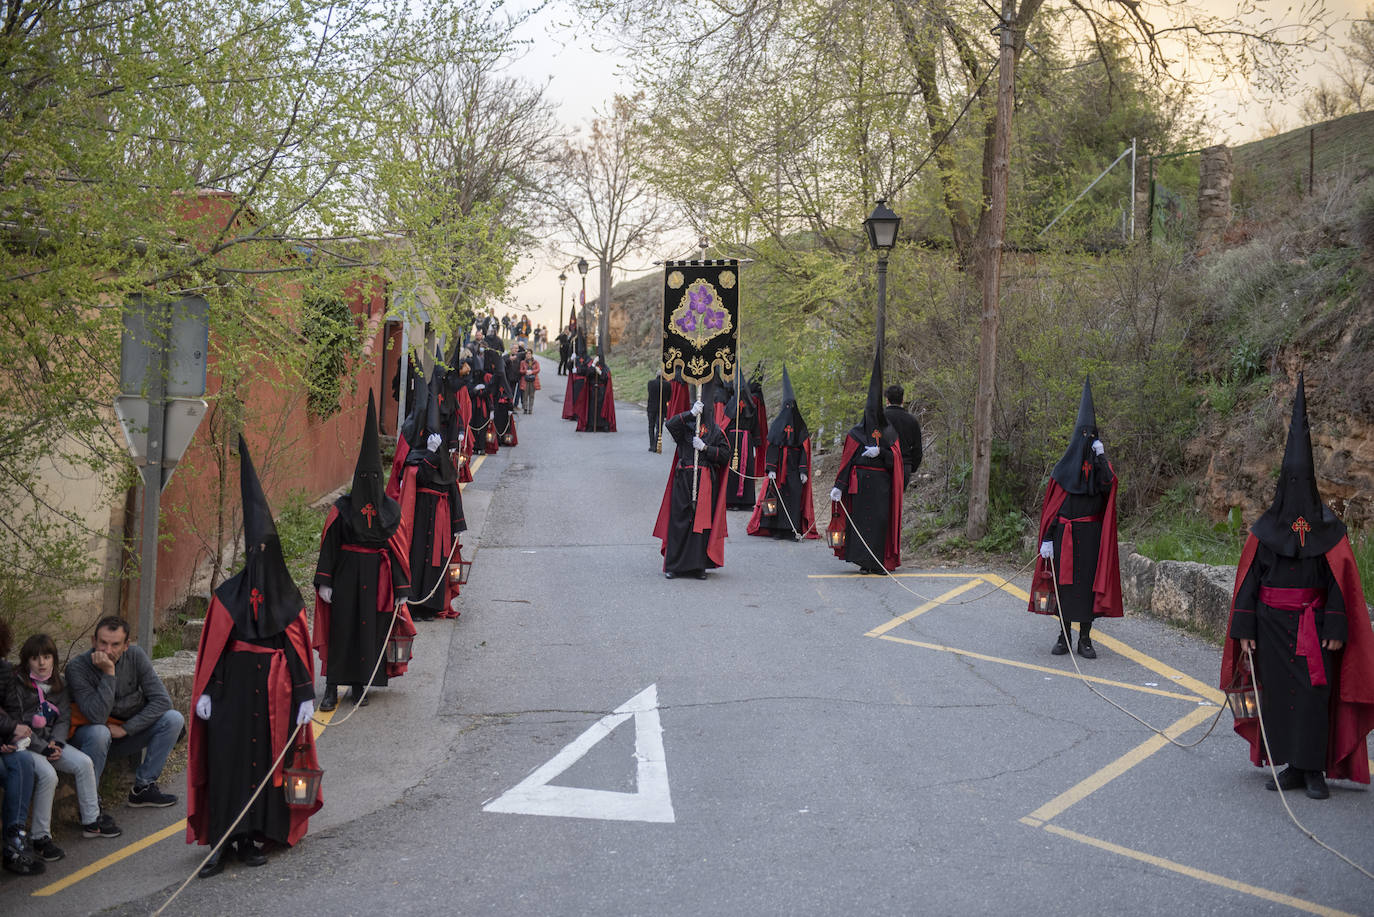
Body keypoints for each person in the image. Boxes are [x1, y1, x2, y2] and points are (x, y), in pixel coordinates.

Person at [1220, 374, 1374, 799]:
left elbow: (1340, 584)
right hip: (1270, 630)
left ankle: (1314, 771)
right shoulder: (1265, 531)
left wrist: (1336, 628)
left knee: (1312, 697)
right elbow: (1250, 581)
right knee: (1279, 700)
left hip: (1315, 630)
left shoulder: (1329, 532)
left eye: (1301, 482)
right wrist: (1246, 631)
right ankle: (1288, 766)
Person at [189, 436, 320, 877]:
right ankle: (219, 844)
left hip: (272, 697)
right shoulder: (228, 596)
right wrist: (205, 691)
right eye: (256, 551)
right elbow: (212, 650)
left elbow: (297, 646)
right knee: (226, 765)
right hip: (229, 695)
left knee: (264, 764)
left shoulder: (287, 596)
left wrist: (305, 694)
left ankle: (249, 837)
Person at [313, 392, 414, 711]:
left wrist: (401, 588)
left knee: (368, 632)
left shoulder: (390, 511)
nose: (369, 483)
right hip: (345, 577)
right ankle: (331, 688)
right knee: (341, 629)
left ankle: (359, 685)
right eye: (364, 477)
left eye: (374, 478)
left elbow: (396, 551)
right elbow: (330, 544)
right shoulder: (342, 510)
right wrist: (325, 581)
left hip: (377, 580)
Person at [1026, 378, 1122, 659]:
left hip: (1091, 539)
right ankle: (1064, 635)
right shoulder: (1062, 469)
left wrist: (1102, 458)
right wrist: (1046, 538)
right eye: (1084, 434)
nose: (1087, 440)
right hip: (1063, 538)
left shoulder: (1100, 467)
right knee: (1064, 588)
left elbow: (1110, 486)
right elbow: (1052, 508)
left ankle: (1086, 639)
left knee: (1087, 589)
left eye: (1091, 436)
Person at [16, 632, 121, 864]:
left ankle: (92, 821)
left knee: (84, 763)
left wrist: (58, 742)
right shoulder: (19, 686)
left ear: (54, 658)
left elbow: (63, 718)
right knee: (48, 775)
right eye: (35, 658)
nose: (42, 663)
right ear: (27, 662)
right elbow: (20, 724)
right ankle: (40, 837)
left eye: (46, 657)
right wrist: (44, 748)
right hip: (27, 746)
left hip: (51, 742)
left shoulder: (58, 684)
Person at [66, 617, 184, 808]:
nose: (107, 650)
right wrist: (109, 673)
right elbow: (96, 717)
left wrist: (127, 729)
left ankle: (143, 788)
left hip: (122, 732)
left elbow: (162, 701)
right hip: (89, 738)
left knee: (173, 719)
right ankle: (89, 805)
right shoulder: (77, 668)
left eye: (115, 644)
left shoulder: (136, 656)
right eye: (103, 643)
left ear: (126, 645)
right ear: (93, 641)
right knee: (99, 731)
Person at [388, 372, 466, 622]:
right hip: (422, 517)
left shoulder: (445, 460)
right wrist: (430, 456)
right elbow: (420, 478)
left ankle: (432, 605)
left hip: (441, 518)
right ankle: (417, 604)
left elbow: (452, 488)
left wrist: (458, 525)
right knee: (419, 559)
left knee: (437, 562)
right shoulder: (418, 457)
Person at [827, 353, 903, 573]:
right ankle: (863, 561)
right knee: (860, 523)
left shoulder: (889, 432)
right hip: (858, 487)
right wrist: (838, 487)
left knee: (879, 522)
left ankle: (878, 561)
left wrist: (881, 452)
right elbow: (847, 462)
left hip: (881, 486)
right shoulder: (855, 434)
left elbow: (895, 460)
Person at [653, 385, 730, 579]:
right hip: (684, 478)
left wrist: (706, 448)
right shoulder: (687, 426)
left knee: (700, 524)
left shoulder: (715, 431)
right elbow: (670, 425)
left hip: (704, 480)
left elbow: (725, 455)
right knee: (679, 521)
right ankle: (674, 566)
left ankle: (698, 567)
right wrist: (689, 414)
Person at [748, 365, 818, 540]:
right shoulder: (778, 426)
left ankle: (792, 529)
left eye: (791, 406)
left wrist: (803, 471)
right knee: (776, 499)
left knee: (793, 499)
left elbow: (803, 449)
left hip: (794, 470)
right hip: (779, 469)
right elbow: (772, 446)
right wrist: (770, 468)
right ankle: (777, 529)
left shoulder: (800, 427)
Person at [1, 620, 43, 875]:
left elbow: (14, 711)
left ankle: (14, 841)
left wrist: (8, 739)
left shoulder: (4, 671)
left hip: (5, 744)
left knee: (24, 763)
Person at [722, 382, 766, 510]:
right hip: (738, 440)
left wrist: (757, 442)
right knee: (733, 469)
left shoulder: (744, 407)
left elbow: (755, 426)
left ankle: (745, 502)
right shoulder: (740, 406)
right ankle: (731, 501)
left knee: (746, 469)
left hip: (742, 440)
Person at [884, 384, 923, 490]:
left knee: (881, 503)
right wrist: (911, 467)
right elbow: (917, 449)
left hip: (881, 467)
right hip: (903, 466)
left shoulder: (879, 418)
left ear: (887, 400)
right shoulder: (912, 420)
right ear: (902, 400)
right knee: (897, 503)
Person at [575, 353, 617, 433]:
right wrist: (593, 365)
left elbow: (606, 378)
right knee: (592, 408)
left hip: (601, 391)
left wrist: (600, 372)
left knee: (601, 407)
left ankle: (603, 425)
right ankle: (591, 424)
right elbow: (587, 373)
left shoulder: (605, 367)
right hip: (592, 390)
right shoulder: (591, 366)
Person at [646, 370, 669, 452]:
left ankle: (651, 445)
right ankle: (656, 445)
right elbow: (669, 398)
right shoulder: (667, 384)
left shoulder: (650, 383)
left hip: (651, 408)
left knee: (651, 426)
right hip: (661, 409)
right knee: (659, 427)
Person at [519, 348, 541, 414]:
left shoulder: (536, 362)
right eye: (527, 354)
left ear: (531, 354)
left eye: (529, 353)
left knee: (531, 395)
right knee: (525, 395)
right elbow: (520, 370)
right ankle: (525, 408)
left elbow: (538, 369)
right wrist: (526, 371)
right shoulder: (522, 362)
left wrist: (532, 372)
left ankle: (530, 409)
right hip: (525, 380)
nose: (528, 355)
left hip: (533, 380)